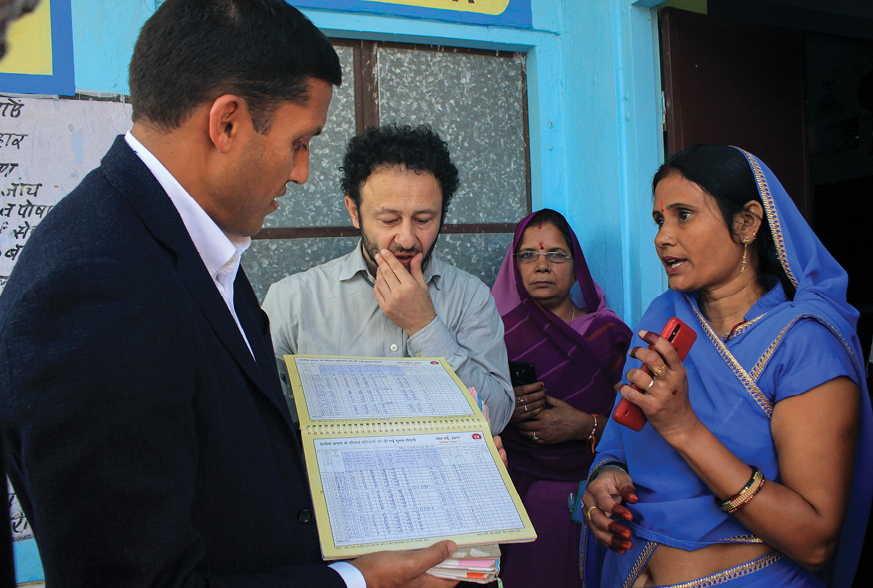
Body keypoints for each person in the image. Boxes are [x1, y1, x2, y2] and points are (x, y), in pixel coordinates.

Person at [0, 1, 458, 586]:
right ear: (227, 123)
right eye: (299, 143)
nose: (302, 173)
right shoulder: (94, 290)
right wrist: (356, 582)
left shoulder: (193, 245)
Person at [581, 145, 873, 588]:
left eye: (684, 214)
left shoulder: (803, 344)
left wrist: (684, 428)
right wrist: (605, 479)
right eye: (660, 219)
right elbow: (619, 442)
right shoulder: (663, 318)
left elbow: (815, 539)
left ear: (748, 222)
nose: (662, 237)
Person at [262, 123, 514, 434]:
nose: (407, 238)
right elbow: (252, 418)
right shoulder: (294, 300)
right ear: (354, 212)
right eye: (389, 219)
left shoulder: (470, 297)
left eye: (424, 219)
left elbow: (497, 417)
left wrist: (425, 326)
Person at [489, 209, 631, 588]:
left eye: (556, 255)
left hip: (594, 496)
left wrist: (585, 425)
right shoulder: (492, 336)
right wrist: (505, 408)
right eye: (529, 255)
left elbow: (645, 426)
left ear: (575, 265)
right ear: (514, 265)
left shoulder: (607, 333)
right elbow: (466, 418)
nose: (542, 266)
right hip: (514, 494)